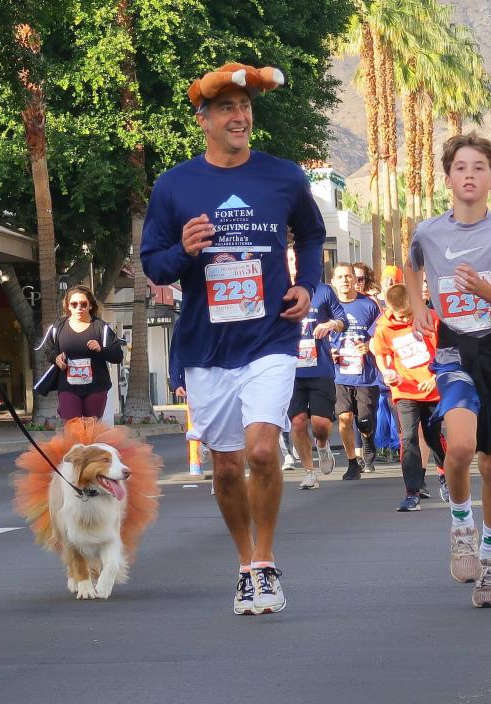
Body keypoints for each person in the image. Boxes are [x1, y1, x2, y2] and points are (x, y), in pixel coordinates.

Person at [140, 62, 325, 616]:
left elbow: (312, 234)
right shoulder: (175, 185)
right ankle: (245, 565)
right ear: (203, 120)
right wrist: (186, 250)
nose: (240, 116)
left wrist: (307, 286)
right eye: (226, 108)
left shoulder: (283, 176)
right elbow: (155, 264)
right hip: (205, 346)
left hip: (271, 335)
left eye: (245, 107)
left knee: (264, 450)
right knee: (224, 466)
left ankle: (266, 565)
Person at [404, 131, 491, 609]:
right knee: (458, 445)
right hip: (454, 348)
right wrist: (419, 305)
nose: (469, 175)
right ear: (447, 178)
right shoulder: (429, 231)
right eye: (461, 167)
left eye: (479, 167)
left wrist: (483, 289)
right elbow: (412, 263)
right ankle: (461, 523)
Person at [370, 284, 447, 511]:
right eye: (400, 315)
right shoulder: (384, 327)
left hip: (431, 387)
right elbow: (381, 353)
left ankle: (445, 476)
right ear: (390, 309)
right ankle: (412, 492)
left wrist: (435, 377)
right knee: (409, 437)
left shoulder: (430, 318)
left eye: (408, 314)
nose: (404, 319)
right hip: (404, 390)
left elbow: (446, 351)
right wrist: (386, 373)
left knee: (433, 436)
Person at [287, 265, 346, 489]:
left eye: (296, 260)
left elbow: (342, 320)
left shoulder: (323, 291)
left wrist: (331, 324)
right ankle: (309, 472)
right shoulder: (277, 290)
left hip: (319, 367)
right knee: (298, 422)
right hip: (290, 370)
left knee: (321, 424)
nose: (293, 266)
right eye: (289, 260)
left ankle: (322, 444)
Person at [36, 285, 124, 421]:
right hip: (68, 386)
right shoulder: (58, 326)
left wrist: (101, 349)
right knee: (73, 427)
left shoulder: (101, 328)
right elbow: (48, 350)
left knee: (90, 430)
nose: (79, 308)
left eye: (83, 304)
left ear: (90, 306)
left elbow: (118, 356)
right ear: (68, 306)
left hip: (95, 387)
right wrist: (56, 358)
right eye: (74, 304)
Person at [330, 263, 382, 479]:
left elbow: (382, 333)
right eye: (340, 277)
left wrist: (369, 345)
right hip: (338, 373)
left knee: (365, 420)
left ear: (355, 280)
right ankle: (352, 462)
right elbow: (316, 335)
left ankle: (368, 438)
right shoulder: (328, 306)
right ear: (333, 281)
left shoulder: (368, 304)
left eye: (349, 276)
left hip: (365, 374)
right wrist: (329, 351)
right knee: (344, 417)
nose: (345, 281)